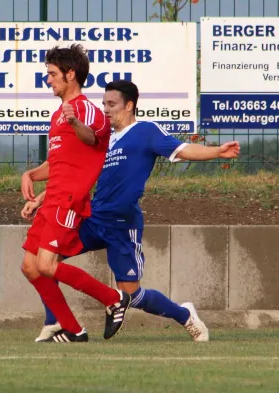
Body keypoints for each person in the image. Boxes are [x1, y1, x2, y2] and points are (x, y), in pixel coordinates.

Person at [23, 80, 241, 342]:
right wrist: (42, 199)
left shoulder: (145, 132)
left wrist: (216, 151)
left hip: (121, 224)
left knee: (132, 294)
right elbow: (73, 176)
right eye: (103, 104)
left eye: (111, 104)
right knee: (44, 262)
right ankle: (57, 322)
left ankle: (185, 316)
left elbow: (182, 150)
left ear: (129, 105)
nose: (105, 109)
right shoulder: (100, 140)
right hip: (92, 218)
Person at [20, 44, 132, 343]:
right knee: (30, 267)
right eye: (48, 74)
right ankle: (74, 330)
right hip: (52, 199)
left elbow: (92, 138)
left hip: (69, 200)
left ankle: (113, 298)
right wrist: (31, 176)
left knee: (46, 265)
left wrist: (74, 121)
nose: (49, 79)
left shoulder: (84, 110)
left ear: (71, 74)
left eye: (53, 74)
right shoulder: (59, 114)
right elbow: (58, 162)